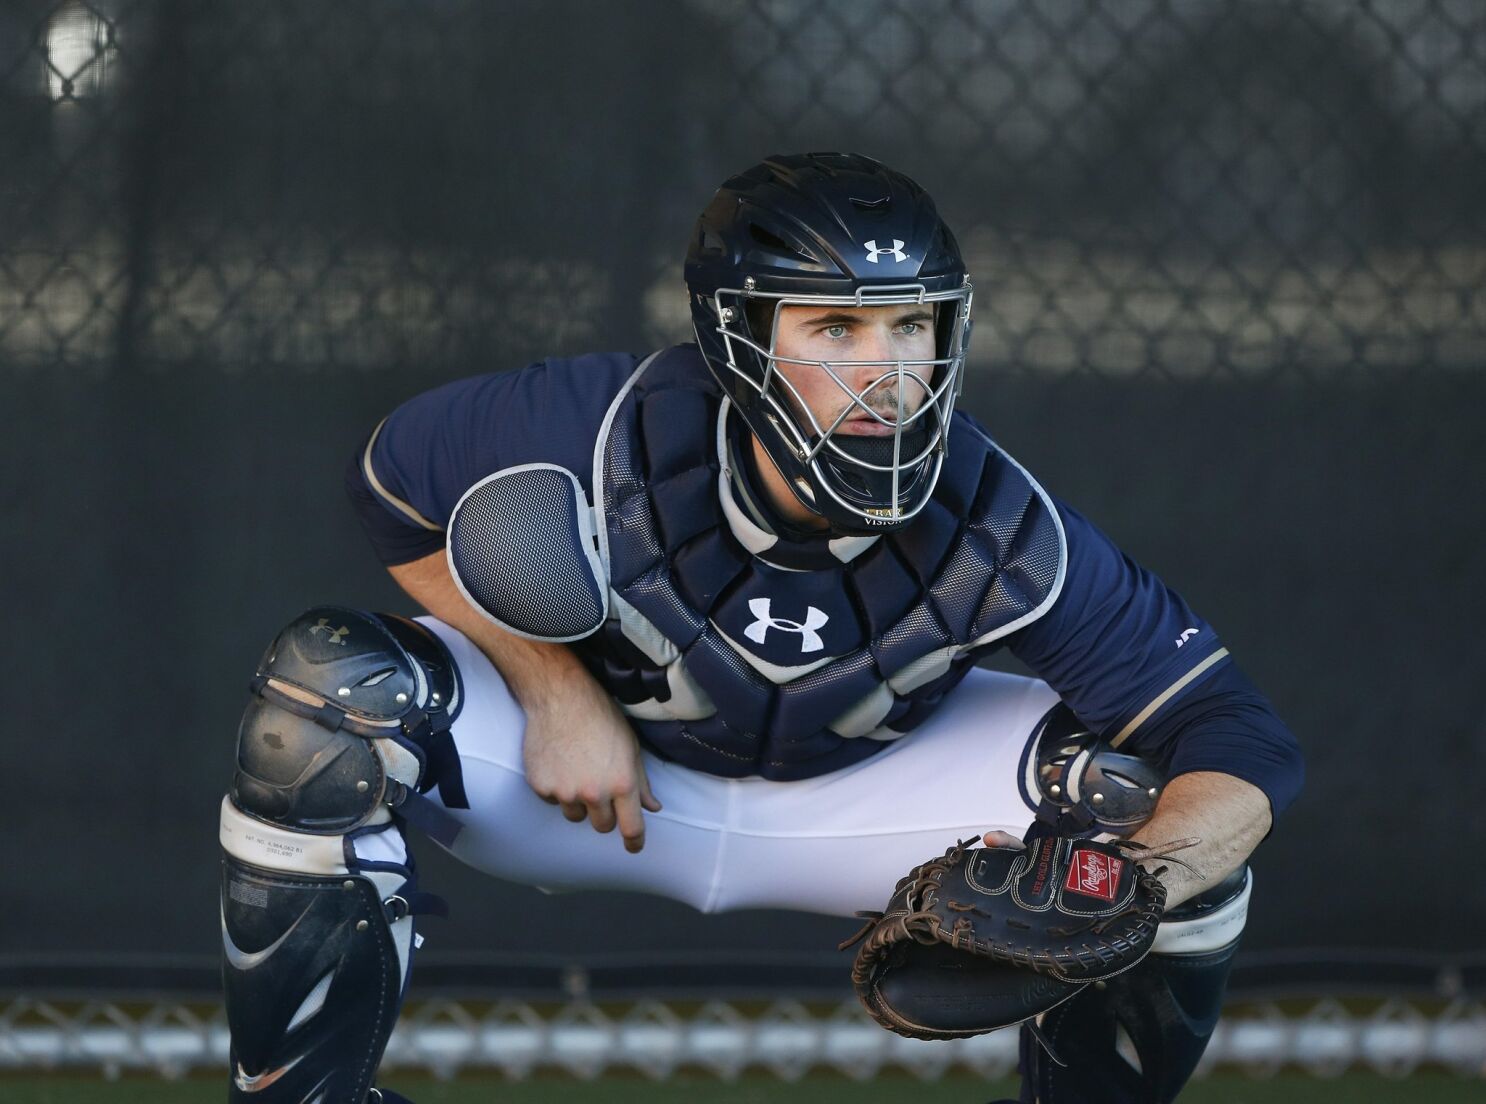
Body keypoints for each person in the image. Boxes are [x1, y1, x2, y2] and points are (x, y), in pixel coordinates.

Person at [219, 152, 1303, 1103]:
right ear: (737, 336)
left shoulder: (1006, 522)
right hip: (602, 790)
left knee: (1144, 808)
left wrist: (1130, 882)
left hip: (864, 803)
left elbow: (1233, 734)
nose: (886, 373)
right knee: (334, 687)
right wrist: (555, 690)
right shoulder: (594, 428)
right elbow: (392, 488)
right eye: (836, 327)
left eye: (910, 325)